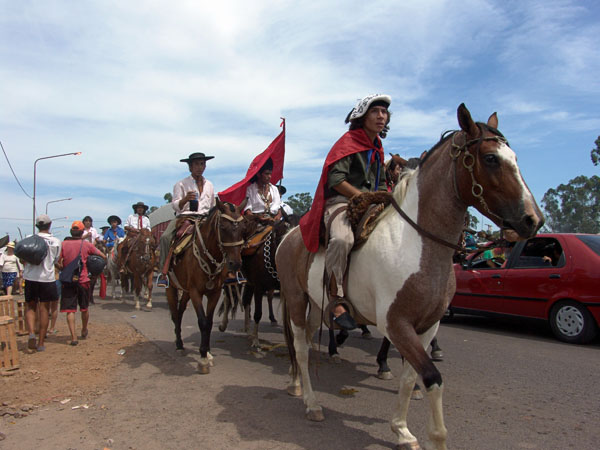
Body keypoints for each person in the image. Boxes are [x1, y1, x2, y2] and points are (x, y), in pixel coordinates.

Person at [299, 94, 391, 330]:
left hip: (370, 203)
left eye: (384, 112)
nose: (381, 116)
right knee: (342, 239)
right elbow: (337, 180)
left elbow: (380, 183)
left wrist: (383, 197)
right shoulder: (348, 142)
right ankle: (336, 298)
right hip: (341, 201)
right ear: (362, 116)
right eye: (375, 111)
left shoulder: (377, 148)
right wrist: (361, 197)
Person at [157, 152, 216, 288]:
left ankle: (229, 272)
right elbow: (176, 205)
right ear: (190, 167)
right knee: (165, 237)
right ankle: (163, 273)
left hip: (204, 218)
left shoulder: (210, 185)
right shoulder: (181, 184)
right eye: (196, 164)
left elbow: (212, 205)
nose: (200, 167)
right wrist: (185, 200)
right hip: (185, 217)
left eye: (202, 164)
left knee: (224, 233)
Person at [58, 221, 106, 345]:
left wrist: (64, 268)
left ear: (71, 232)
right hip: (83, 280)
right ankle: (84, 329)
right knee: (84, 308)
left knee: (70, 310)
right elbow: (103, 256)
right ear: (81, 232)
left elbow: (57, 262)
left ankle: (73, 337)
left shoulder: (63, 244)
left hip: (68, 281)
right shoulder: (86, 245)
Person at [22, 214, 61, 352]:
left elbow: (22, 258)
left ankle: (32, 332)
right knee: (44, 309)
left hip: (30, 277)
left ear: (37, 226)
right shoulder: (55, 241)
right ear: (49, 225)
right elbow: (56, 261)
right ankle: (41, 343)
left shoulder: (28, 239)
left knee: (31, 306)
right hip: (47, 278)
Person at [243, 158, 282, 223]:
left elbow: (278, 208)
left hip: (274, 221)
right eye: (266, 174)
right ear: (258, 174)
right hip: (256, 222)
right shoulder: (250, 189)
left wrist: (278, 216)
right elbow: (248, 211)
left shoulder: (274, 189)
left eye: (270, 174)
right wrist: (258, 218)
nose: (269, 176)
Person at [119, 202, 151, 272]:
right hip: (132, 235)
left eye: (141, 208)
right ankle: (123, 264)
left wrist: (144, 232)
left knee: (152, 246)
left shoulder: (146, 219)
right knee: (123, 246)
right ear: (136, 209)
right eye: (138, 208)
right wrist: (132, 229)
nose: (140, 209)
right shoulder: (131, 217)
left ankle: (153, 264)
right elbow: (126, 226)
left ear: (143, 210)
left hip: (143, 236)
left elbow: (149, 229)